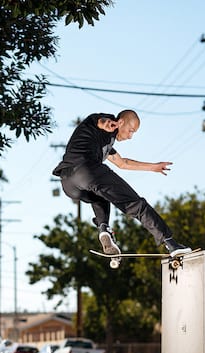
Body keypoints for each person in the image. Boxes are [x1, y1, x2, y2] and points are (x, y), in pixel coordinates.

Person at [52, 110, 191, 257]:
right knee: (136, 205)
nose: (130, 137)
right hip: (87, 170)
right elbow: (100, 121)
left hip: (68, 182)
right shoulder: (102, 123)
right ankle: (171, 243)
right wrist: (108, 124)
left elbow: (122, 162)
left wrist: (152, 167)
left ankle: (103, 229)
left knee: (100, 196)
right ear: (121, 122)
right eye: (130, 131)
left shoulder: (102, 143)